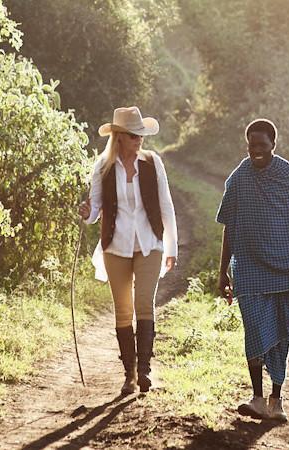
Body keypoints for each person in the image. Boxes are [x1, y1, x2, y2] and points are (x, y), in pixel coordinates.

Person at [216, 118, 289, 422]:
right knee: (253, 329)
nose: (256, 151)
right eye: (252, 146)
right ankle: (257, 398)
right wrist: (222, 270)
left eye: (262, 145)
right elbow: (229, 226)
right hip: (249, 267)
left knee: (281, 333)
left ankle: (276, 401)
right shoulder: (239, 178)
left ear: (273, 145)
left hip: (287, 270)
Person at [79, 106, 178, 394]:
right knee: (123, 310)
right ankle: (129, 375)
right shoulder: (103, 166)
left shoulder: (153, 163)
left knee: (144, 304)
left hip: (149, 244)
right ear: (119, 137)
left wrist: (171, 246)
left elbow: (166, 205)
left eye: (141, 135)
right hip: (116, 246)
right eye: (134, 135)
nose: (139, 140)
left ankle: (144, 371)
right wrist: (86, 212)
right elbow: (95, 210)